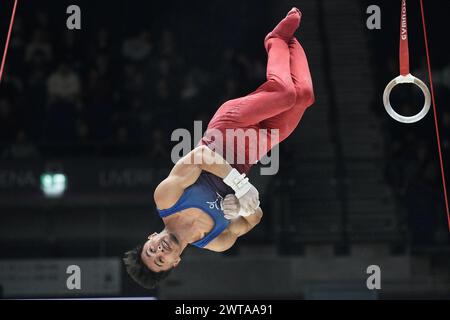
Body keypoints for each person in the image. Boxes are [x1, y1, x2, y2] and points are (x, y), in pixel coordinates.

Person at [124, 7, 315, 289]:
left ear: (151, 237)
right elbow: (254, 219)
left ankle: (274, 38)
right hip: (256, 148)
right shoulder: (216, 241)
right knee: (304, 96)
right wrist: (241, 207)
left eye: (151, 249)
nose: (160, 250)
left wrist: (238, 184)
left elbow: (201, 156)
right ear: (175, 262)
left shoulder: (166, 198)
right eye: (161, 259)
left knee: (284, 93)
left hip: (228, 128)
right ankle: (289, 42)